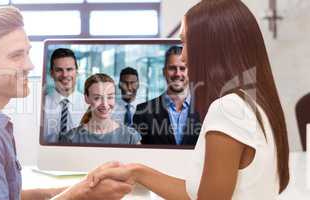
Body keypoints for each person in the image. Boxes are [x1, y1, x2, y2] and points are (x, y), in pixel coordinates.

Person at [87, 0, 290, 199]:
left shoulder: (228, 109)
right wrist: (136, 171)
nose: (182, 56)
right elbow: (200, 193)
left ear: (210, 46)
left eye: (185, 42)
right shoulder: (254, 103)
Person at [0, 6, 133, 200]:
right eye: (16, 56)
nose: (30, 65)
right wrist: (81, 195)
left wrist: (85, 185)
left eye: (27, 52)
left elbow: (7, 194)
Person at [133, 45, 201, 145]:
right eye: (172, 68)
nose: (177, 74)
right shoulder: (143, 112)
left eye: (182, 68)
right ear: (164, 72)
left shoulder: (205, 110)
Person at [59, 73, 141, 144]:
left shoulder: (131, 136)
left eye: (110, 97)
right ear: (86, 98)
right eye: (97, 98)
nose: (105, 104)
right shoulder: (70, 138)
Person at [43, 48, 87, 143]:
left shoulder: (88, 105)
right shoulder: (41, 105)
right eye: (59, 70)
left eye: (69, 69)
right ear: (51, 73)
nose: (65, 75)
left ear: (77, 72)